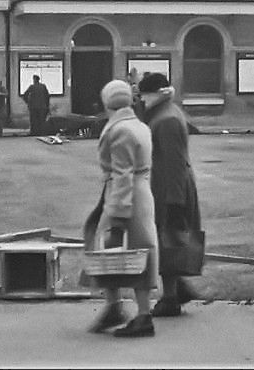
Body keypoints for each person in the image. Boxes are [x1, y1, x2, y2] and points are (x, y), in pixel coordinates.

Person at [84, 79, 159, 337]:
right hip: (140, 193)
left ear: (107, 101)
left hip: (124, 195)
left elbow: (122, 174)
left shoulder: (120, 131)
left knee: (118, 251)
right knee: (137, 251)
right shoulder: (138, 126)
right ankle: (122, 308)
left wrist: (117, 213)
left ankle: (135, 313)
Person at [136, 72, 202, 317]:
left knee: (168, 241)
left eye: (143, 95)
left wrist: (175, 201)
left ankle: (171, 297)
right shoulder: (166, 113)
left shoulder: (167, 120)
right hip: (167, 185)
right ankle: (177, 289)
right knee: (169, 241)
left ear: (153, 94)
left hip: (170, 188)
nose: (141, 99)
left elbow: (174, 162)